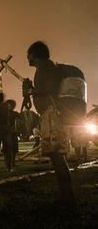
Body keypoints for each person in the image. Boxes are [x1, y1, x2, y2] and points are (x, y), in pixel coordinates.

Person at [23, 41, 79, 209]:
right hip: (49, 115)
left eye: (28, 54)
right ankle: (66, 196)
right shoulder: (45, 68)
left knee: (57, 156)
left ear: (35, 54)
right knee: (56, 157)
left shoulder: (46, 67)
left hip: (52, 116)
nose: (27, 57)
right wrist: (30, 90)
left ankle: (68, 198)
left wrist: (31, 90)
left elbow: (51, 87)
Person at [7, 100, 20, 168]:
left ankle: (13, 162)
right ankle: (9, 162)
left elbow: (19, 121)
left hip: (13, 132)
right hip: (7, 133)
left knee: (14, 148)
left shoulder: (15, 113)